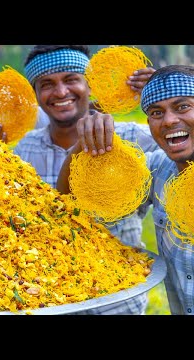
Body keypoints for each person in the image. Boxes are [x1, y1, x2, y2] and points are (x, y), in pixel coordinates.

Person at [13, 45, 159, 315]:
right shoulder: (23, 150)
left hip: (119, 299)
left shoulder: (133, 139)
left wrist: (164, 96)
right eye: (46, 84)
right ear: (35, 95)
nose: (60, 92)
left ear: (90, 86)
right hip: (49, 301)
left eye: (71, 79)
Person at [57, 64, 194, 315]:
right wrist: (82, 145)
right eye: (156, 112)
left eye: (182, 106)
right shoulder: (156, 171)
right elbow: (69, 203)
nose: (169, 120)